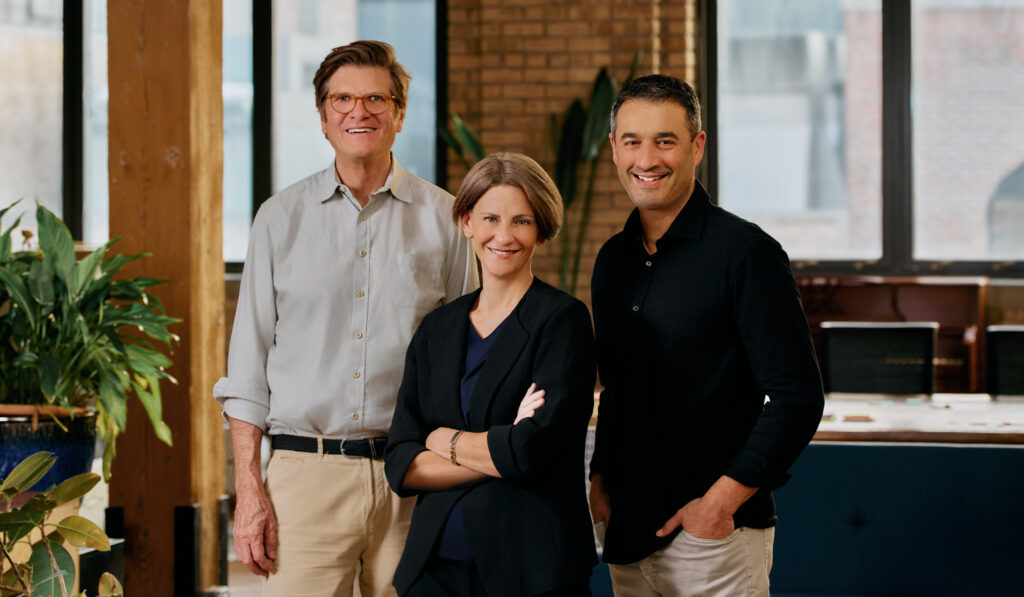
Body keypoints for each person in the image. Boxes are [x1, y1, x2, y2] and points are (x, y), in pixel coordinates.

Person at [212, 40, 478, 596]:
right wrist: (249, 488)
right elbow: (247, 368)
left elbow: (470, 361)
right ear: (323, 116)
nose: (360, 112)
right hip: (305, 477)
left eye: (376, 98)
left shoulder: (447, 222)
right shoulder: (277, 219)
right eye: (343, 99)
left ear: (400, 114)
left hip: (413, 477)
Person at [588, 74, 824, 596]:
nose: (646, 158)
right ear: (613, 149)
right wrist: (600, 478)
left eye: (665, 141)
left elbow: (797, 398)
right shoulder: (612, 261)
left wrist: (718, 505)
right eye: (632, 141)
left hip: (712, 539)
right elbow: (620, 389)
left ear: (697, 146)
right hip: (628, 533)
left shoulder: (746, 253)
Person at [384, 152, 597, 597]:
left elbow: (531, 452)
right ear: (466, 222)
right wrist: (499, 451)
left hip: (530, 571)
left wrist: (445, 440)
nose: (504, 236)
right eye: (490, 218)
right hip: (433, 572)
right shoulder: (437, 329)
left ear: (540, 231)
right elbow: (401, 462)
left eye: (521, 221)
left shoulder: (562, 321)